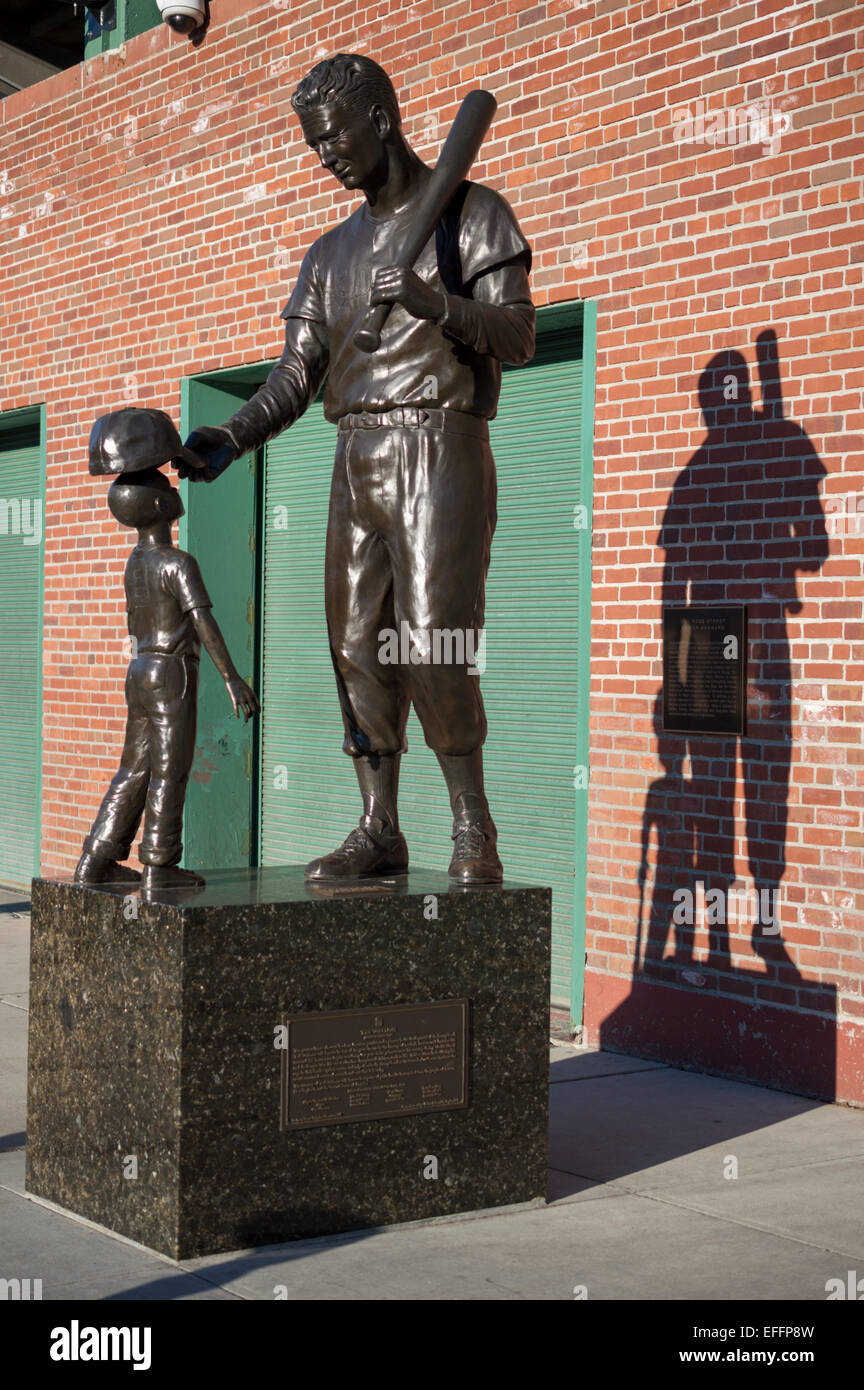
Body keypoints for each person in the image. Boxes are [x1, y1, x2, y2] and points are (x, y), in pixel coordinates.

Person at [179, 53, 535, 883]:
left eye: (333, 136)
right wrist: (228, 438)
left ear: (379, 121)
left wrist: (432, 302)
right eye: (313, 143)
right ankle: (379, 825)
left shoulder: (472, 214)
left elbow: (516, 337)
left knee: (432, 639)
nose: (324, 155)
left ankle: (471, 824)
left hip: (440, 439)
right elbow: (296, 374)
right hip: (355, 452)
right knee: (355, 644)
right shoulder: (329, 254)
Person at [75, 408, 260, 890]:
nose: (173, 489)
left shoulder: (133, 565)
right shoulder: (178, 563)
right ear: (158, 509)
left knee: (132, 768)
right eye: (165, 487)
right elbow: (203, 622)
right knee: (170, 772)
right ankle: (160, 864)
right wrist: (231, 677)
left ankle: (96, 859)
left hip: (139, 669)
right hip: (172, 672)